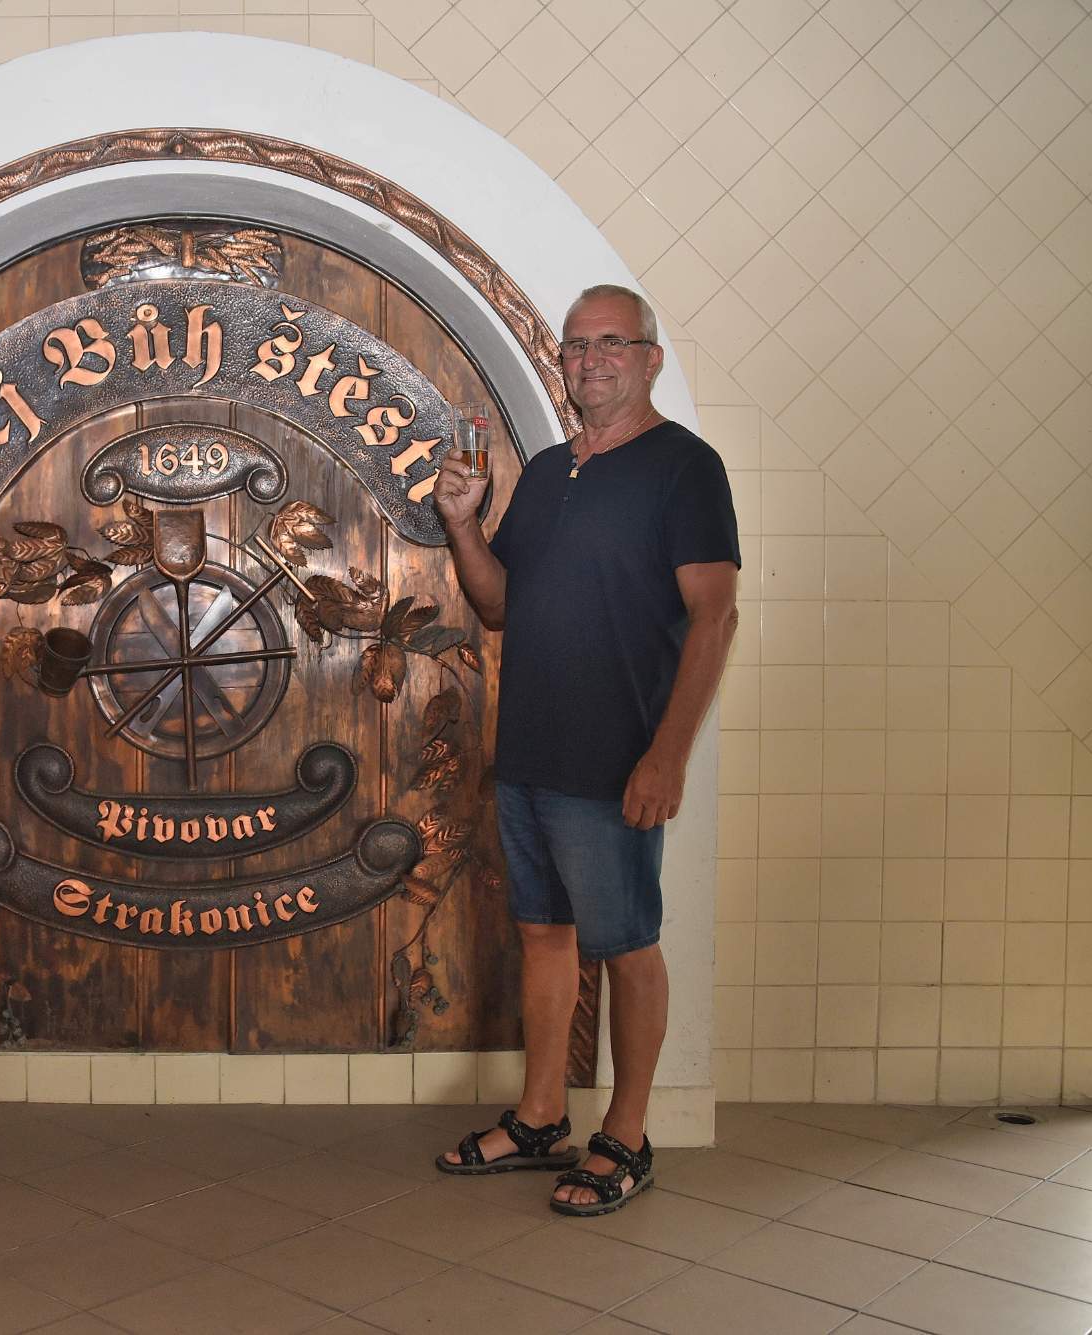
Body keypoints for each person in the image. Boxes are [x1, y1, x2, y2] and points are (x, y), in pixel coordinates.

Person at [432, 284, 739, 1216]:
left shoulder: (685, 468)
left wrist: (667, 756)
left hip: (616, 762)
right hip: (529, 754)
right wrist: (462, 521)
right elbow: (497, 604)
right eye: (576, 345)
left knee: (628, 946)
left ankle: (628, 1135)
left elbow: (715, 617)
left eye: (613, 342)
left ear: (651, 359)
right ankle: (540, 1118)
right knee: (545, 936)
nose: (591, 359)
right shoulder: (548, 471)